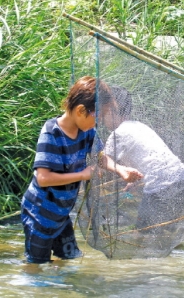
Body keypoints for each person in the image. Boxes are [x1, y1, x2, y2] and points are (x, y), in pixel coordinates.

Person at [21, 76, 142, 264]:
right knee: (37, 265)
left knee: (71, 259)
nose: (98, 123)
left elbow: (100, 157)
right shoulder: (51, 133)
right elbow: (43, 178)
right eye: (98, 117)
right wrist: (82, 175)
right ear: (80, 111)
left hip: (61, 215)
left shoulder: (87, 132)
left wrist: (121, 170)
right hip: (39, 214)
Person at [101, 85, 184, 232]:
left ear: (110, 111)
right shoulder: (138, 125)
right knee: (165, 230)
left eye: (102, 116)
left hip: (162, 184)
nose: (102, 121)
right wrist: (139, 181)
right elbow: (152, 159)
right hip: (180, 178)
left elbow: (103, 161)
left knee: (143, 233)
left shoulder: (118, 133)